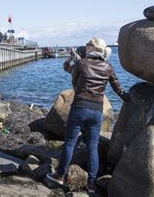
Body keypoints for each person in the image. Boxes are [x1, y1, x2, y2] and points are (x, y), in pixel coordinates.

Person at [45, 37, 130, 193]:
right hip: (97, 111)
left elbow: (75, 84)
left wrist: (73, 62)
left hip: (79, 108)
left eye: (88, 44)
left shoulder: (82, 63)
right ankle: (91, 184)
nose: (86, 46)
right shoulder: (108, 66)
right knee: (92, 147)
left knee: (70, 142)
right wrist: (128, 98)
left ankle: (59, 175)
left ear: (93, 48)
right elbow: (118, 88)